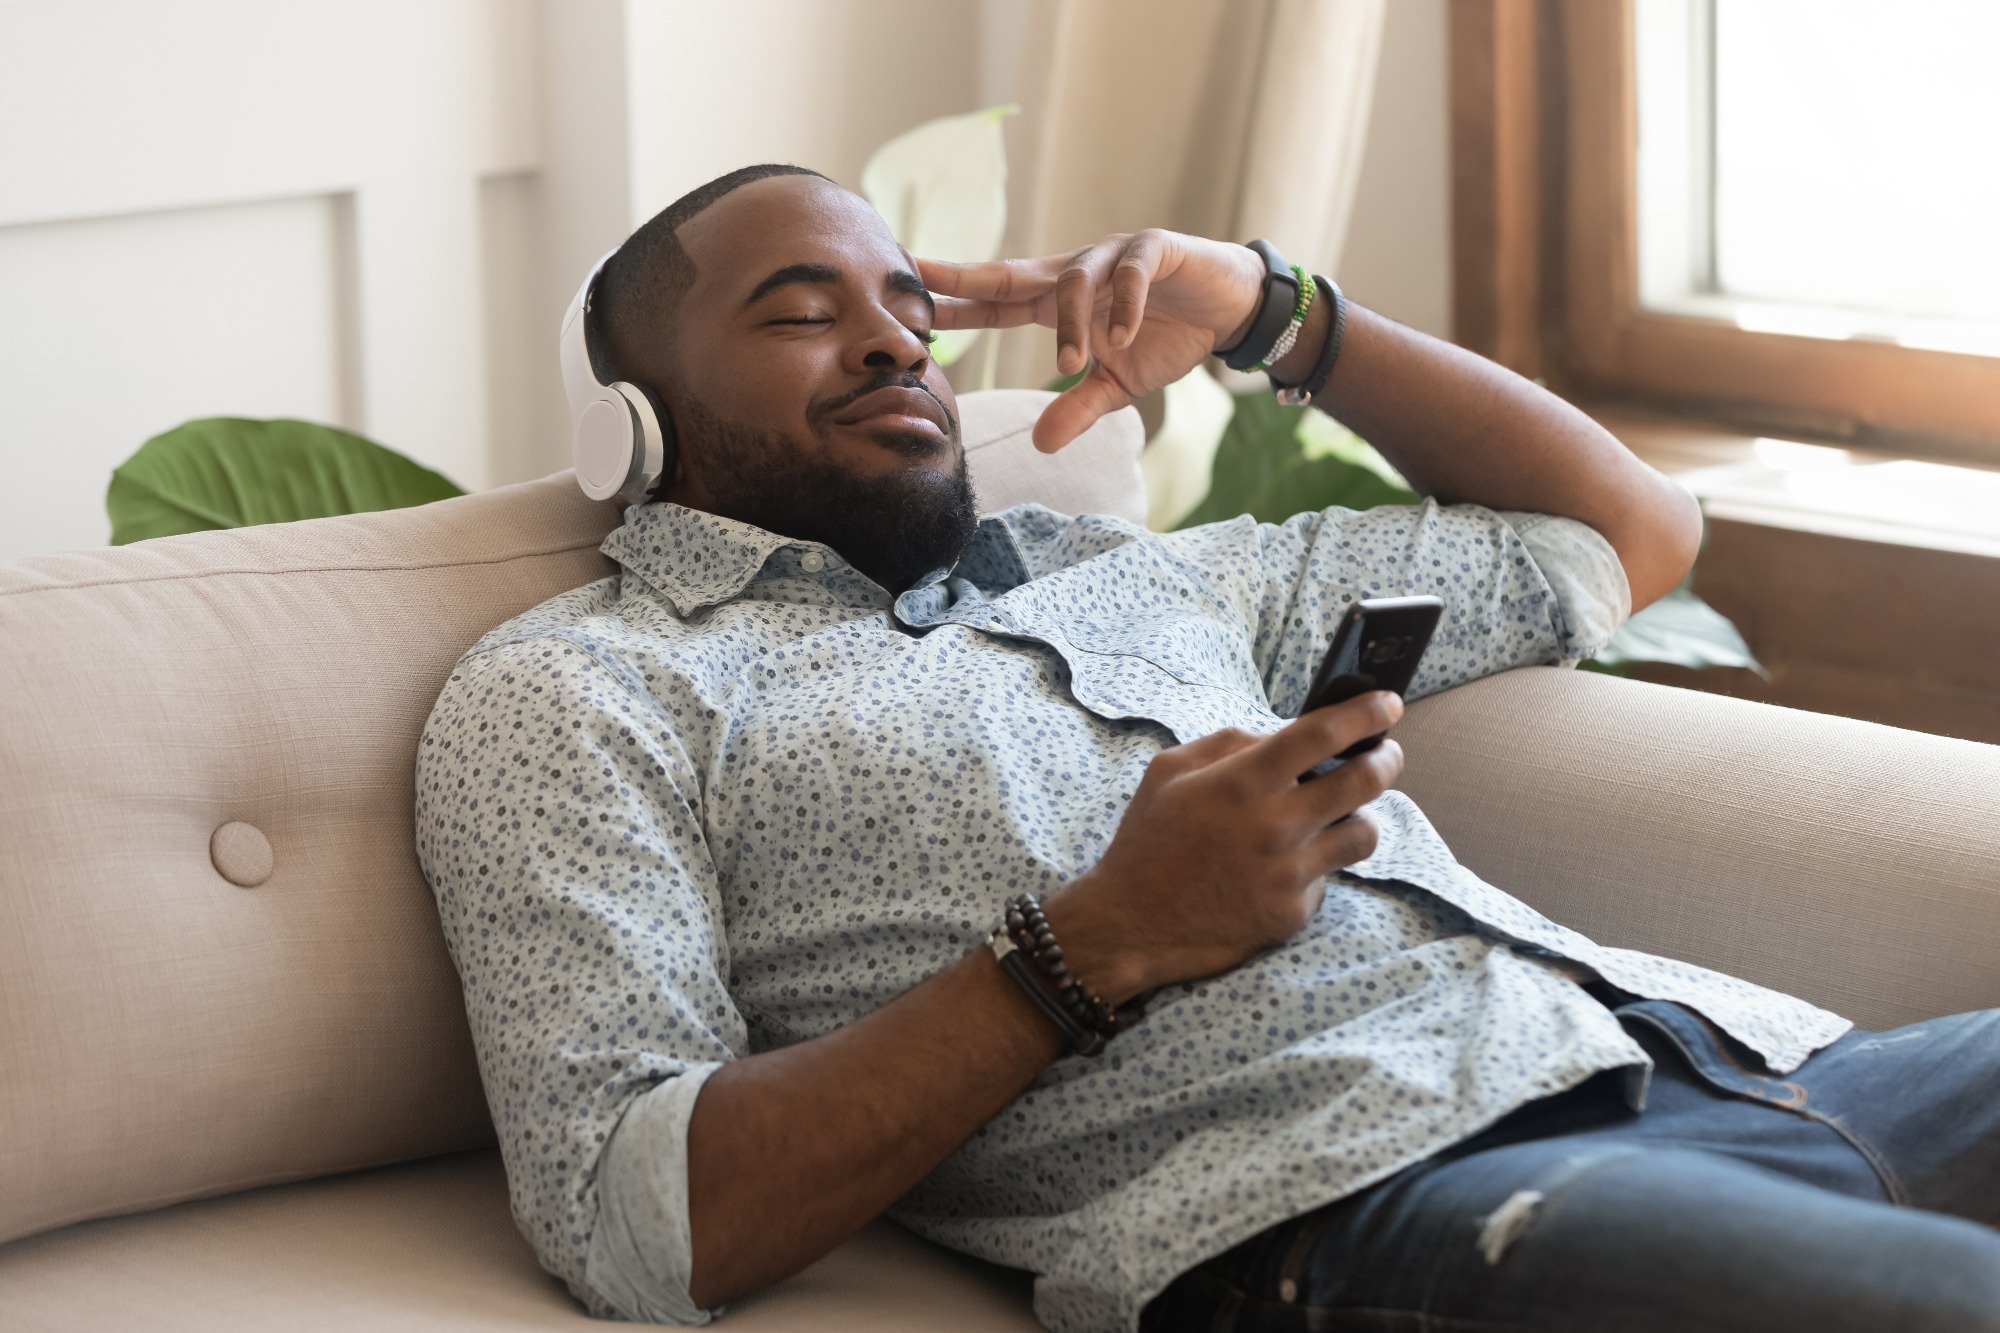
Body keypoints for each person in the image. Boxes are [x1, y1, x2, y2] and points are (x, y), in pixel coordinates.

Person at [413, 163, 2000, 1333]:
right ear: (630, 416)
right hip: (1385, 1196)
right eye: (804, 313)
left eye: (909, 306)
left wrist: (1272, 311)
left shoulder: (1142, 571)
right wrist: (1095, 940)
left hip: (1736, 1062)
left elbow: (1630, 531)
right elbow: (631, 1215)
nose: (898, 345)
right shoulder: (578, 690)